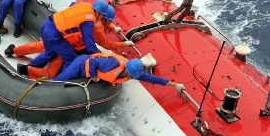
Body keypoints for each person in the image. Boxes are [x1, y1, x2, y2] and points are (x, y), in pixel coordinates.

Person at [7, 5, 135, 79]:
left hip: (62, 36)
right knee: (53, 70)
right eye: (110, 21)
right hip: (69, 45)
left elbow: (103, 24)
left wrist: (114, 28)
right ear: (103, 17)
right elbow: (109, 45)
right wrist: (124, 44)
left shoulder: (93, 16)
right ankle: (28, 70)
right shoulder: (98, 29)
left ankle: (14, 50)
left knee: (40, 47)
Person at [26, 0, 109, 72]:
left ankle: (28, 68)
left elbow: (72, 4)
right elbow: (88, 39)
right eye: (102, 15)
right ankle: (61, 80)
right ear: (98, 13)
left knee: (50, 53)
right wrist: (95, 55)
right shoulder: (88, 20)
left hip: (47, 25)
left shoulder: (84, 5)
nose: (102, 18)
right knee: (71, 59)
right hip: (54, 35)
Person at [51, 53, 186, 93]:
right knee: (59, 82)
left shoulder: (134, 71)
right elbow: (92, 62)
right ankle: (43, 83)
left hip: (85, 70)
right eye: (131, 76)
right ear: (126, 71)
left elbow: (153, 79)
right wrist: (93, 77)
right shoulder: (113, 64)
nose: (131, 78)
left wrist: (175, 85)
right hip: (80, 64)